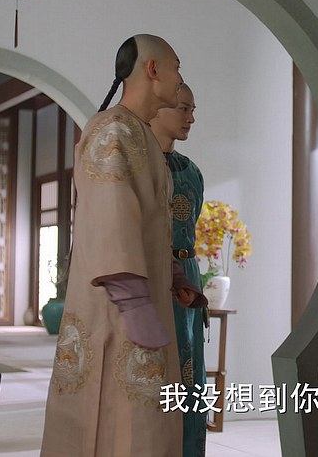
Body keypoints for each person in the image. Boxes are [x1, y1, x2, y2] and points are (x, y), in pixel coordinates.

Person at [40, 34, 205, 457]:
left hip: (144, 305)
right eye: (176, 67)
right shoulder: (114, 130)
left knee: (146, 426)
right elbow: (111, 220)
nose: (179, 78)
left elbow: (147, 221)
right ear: (153, 69)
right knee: (122, 428)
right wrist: (135, 305)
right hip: (117, 316)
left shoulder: (139, 135)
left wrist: (174, 274)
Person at [149, 83, 208, 456]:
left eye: (193, 110)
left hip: (187, 273)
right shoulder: (139, 164)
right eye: (183, 108)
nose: (190, 118)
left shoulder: (192, 171)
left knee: (192, 375)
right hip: (153, 276)